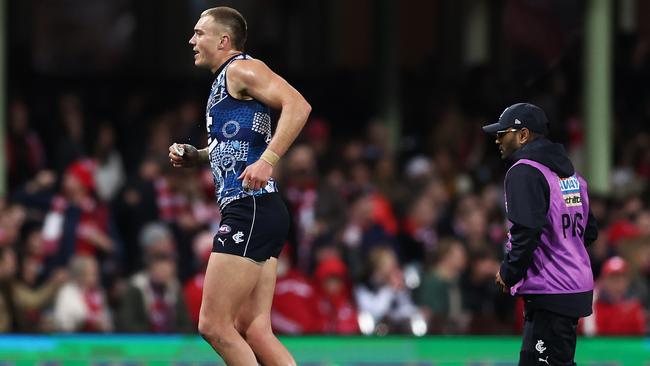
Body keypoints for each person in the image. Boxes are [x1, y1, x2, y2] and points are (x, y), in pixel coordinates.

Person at [169, 6, 311, 365]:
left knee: (214, 325)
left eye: (199, 33)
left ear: (223, 39)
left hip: (248, 208)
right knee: (255, 329)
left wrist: (268, 161)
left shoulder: (242, 68)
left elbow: (298, 105)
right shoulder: (226, 80)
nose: (192, 40)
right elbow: (235, 144)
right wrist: (198, 156)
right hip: (262, 209)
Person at [483, 103, 598, 365]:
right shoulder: (572, 176)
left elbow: (527, 230)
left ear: (523, 135)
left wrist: (509, 271)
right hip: (573, 284)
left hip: (551, 290)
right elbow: (588, 232)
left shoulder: (525, 171)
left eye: (504, 133)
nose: (498, 139)